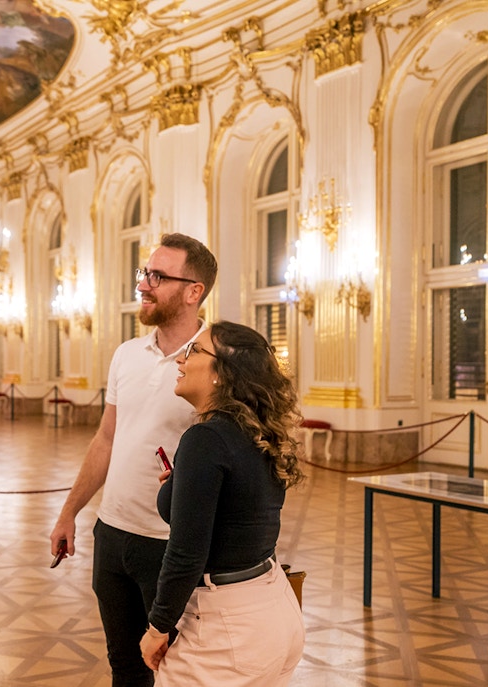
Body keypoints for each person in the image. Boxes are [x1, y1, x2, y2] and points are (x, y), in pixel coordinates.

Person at [49, 233, 218, 687]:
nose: (143, 284)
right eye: (145, 273)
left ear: (192, 291)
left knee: (179, 671)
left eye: (157, 276)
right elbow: (106, 438)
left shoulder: (217, 361)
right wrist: (70, 513)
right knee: (124, 667)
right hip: (112, 536)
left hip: (172, 546)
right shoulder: (127, 354)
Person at [138, 322, 306, 685]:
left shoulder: (206, 439)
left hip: (227, 630)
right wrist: (185, 486)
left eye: (194, 351)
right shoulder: (256, 433)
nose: (180, 360)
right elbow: (239, 510)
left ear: (224, 374)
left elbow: (186, 553)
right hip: (274, 606)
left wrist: (158, 628)